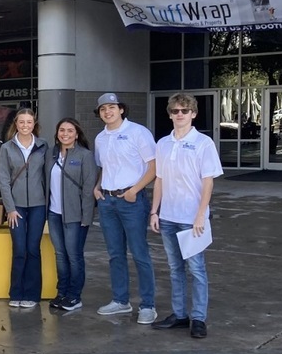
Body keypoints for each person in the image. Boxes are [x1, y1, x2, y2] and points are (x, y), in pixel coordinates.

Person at [149, 93, 222, 339]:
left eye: (184, 110)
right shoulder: (162, 143)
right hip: (168, 216)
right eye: (175, 111)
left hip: (191, 219)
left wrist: (201, 215)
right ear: (169, 114)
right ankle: (180, 315)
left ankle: (198, 318)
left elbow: (207, 181)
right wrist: (154, 211)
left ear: (193, 114)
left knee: (197, 269)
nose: (179, 114)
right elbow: (159, 179)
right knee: (174, 268)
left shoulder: (203, 143)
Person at [92, 92, 158, 324]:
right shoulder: (100, 138)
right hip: (108, 202)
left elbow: (153, 167)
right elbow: (103, 167)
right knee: (115, 254)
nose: (107, 112)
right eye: (103, 109)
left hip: (131, 200)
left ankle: (148, 305)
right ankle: (121, 300)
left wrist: (134, 190)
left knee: (140, 254)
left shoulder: (138, 132)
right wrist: (97, 187)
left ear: (121, 109)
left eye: (112, 107)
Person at [0, 108, 48, 309]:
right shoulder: (7, 148)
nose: (25, 125)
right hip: (16, 207)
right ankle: (16, 292)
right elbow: (3, 179)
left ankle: (32, 294)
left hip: (37, 205)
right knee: (19, 249)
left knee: (33, 249)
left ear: (34, 124)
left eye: (29, 122)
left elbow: (46, 175)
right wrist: (10, 208)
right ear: (16, 124)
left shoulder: (43, 146)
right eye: (22, 122)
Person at [45, 118, 97, 312]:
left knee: (74, 256)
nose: (65, 134)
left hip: (75, 216)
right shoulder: (51, 154)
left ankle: (75, 296)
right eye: (61, 130)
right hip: (54, 214)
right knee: (60, 255)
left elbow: (88, 189)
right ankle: (62, 292)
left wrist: (86, 217)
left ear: (77, 134)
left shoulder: (85, 156)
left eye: (69, 130)